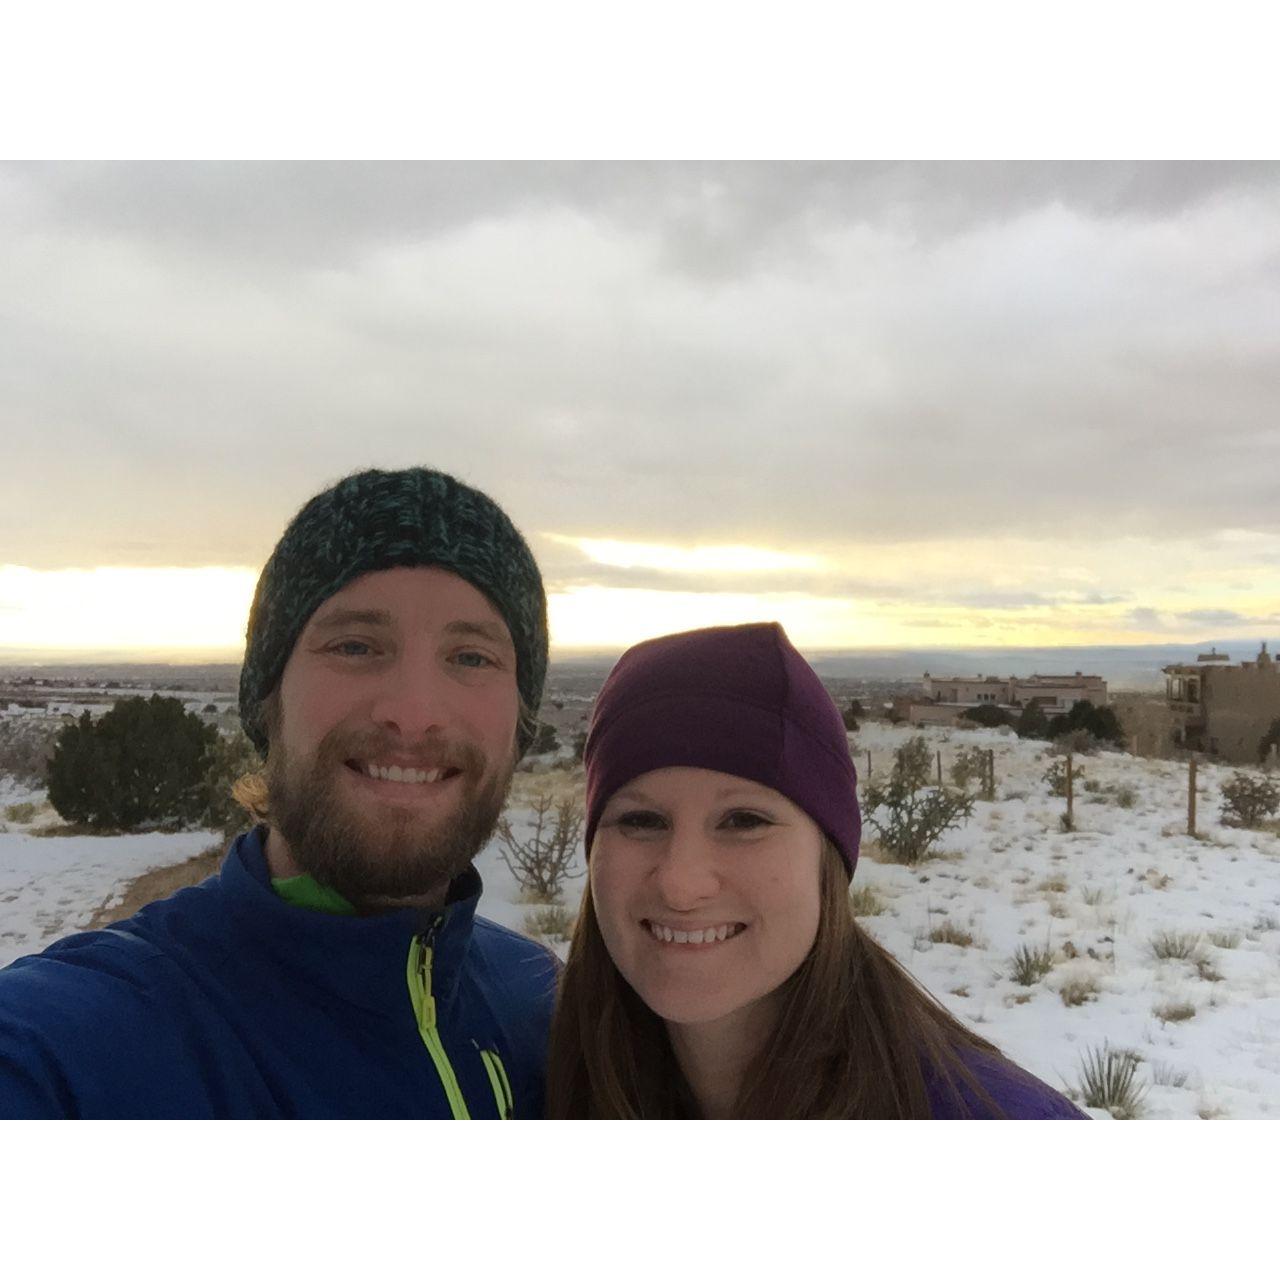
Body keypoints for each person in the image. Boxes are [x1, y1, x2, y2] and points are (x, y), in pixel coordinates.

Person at [0, 467, 558, 1118]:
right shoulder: (76, 1047)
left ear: (519, 723)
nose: (414, 711)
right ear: (267, 699)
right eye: (355, 644)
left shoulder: (546, 1011)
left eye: (471, 657)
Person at [546, 622, 1086, 1119]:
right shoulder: (528, 1077)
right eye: (640, 820)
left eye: (742, 820)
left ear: (828, 857)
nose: (681, 883)